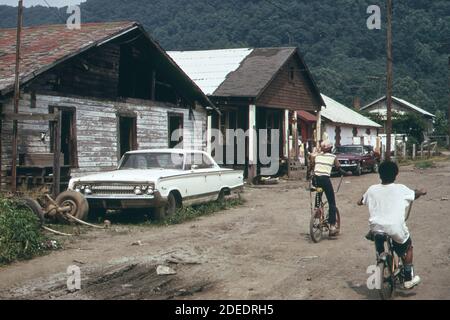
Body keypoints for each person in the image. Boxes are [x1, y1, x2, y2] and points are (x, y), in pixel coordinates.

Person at [357, 161, 426, 289]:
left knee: (378, 238)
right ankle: (408, 279)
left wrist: (362, 201)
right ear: (396, 174)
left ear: (379, 174)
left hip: (376, 228)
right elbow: (414, 194)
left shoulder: (372, 189)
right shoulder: (401, 188)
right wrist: (421, 192)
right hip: (395, 228)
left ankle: (380, 258)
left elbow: (360, 201)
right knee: (408, 247)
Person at [310, 140, 344, 236]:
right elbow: (339, 168)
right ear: (330, 148)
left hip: (315, 179)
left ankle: (317, 210)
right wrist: (345, 173)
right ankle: (332, 226)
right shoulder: (333, 157)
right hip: (325, 179)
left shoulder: (317, 156)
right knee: (331, 202)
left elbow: (312, 167)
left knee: (319, 192)